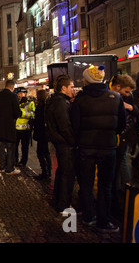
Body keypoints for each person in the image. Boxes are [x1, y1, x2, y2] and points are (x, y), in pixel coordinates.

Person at [72, 65, 126, 232]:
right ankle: (104, 220)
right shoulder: (116, 98)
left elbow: (75, 125)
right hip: (108, 147)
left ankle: (89, 216)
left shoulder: (80, 100)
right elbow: (121, 125)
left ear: (87, 80)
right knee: (105, 185)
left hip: (86, 147)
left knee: (86, 184)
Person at [109, 74, 139, 216]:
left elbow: (137, 113)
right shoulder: (112, 98)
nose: (128, 94)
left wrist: (130, 107)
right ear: (117, 87)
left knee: (121, 163)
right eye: (126, 91)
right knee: (119, 165)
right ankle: (123, 192)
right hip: (117, 137)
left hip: (123, 136)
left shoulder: (127, 98)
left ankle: (126, 191)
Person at [45, 75, 76, 213]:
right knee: (66, 174)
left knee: (61, 172)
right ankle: (63, 204)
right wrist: (73, 141)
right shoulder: (61, 103)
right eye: (71, 87)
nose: (73, 90)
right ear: (64, 88)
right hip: (64, 144)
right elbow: (64, 126)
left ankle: (57, 200)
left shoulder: (56, 101)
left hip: (59, 142)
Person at [0, 80, 21, 174]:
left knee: (0, 148)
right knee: (10, 148)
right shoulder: (13, 96)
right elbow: (17, 112)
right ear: (12, 87)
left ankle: (2, 166)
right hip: (9, 127)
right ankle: (9, 168)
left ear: (5, 86)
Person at [32, 89, 51, 180]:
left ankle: (45, 172)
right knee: (46, 152)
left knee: (40, 153)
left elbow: (39, 120)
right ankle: (48, 171)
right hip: (45, 133)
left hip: (41, 133)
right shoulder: (46, 105)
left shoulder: (41, 107)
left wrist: (32, 121)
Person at [15, 88, 35, 167]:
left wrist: (22, 113)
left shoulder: (30, 103)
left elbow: (33, 114)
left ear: (25, 94)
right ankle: (15, 160)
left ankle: (23, 162)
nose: (19, 95)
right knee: (15, 147)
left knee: (24, 147)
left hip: (25, 128)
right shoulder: (16, 102)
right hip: (16, 128)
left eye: (21, 93)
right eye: (18, 93)